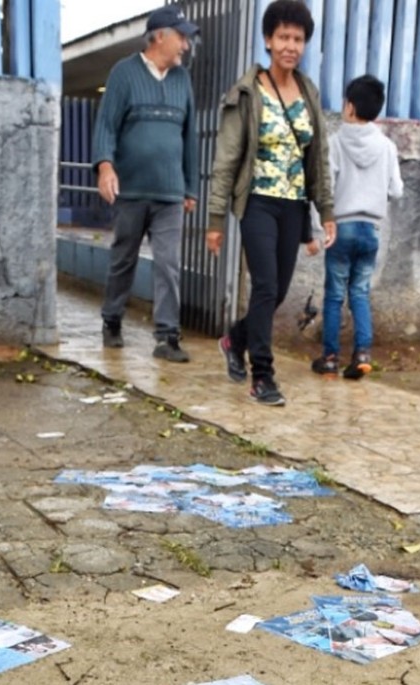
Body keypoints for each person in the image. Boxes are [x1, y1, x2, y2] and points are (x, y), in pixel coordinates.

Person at [206, 0, 336, 406]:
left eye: (298, 38)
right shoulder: (247, 92)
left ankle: (236, 338)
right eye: (283, 37)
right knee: (264, 286)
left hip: (293, 206)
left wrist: (326, 211)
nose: (290, 46)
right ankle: (262, 375)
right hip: (258, 202)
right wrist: (215, 218)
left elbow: (318, 157)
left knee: (276, 292)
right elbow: (227, 158)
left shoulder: (309, 92)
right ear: (268, 40)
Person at [92, 6, 200, 363]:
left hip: (169, 192)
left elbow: (190, 137)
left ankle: (167, 336)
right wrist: (105, 167)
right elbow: (106, 125)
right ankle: (112, 320)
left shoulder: (182, 80)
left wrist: (190, 188)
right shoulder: (123, 74)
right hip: (132, 191)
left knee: (168, 263)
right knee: (123, 259)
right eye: (181, 36)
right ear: (159, 37)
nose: (185, 45)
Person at [310, 75, 404, 380]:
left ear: (349, 107)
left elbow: (327, 186)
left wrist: (319, 225)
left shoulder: (335, 143)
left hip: (341, 227)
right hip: (370, 230)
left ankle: (330, 357)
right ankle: (362, 353)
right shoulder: (387, 147)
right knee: (360, 292)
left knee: (335, 294)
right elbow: (397, 190)